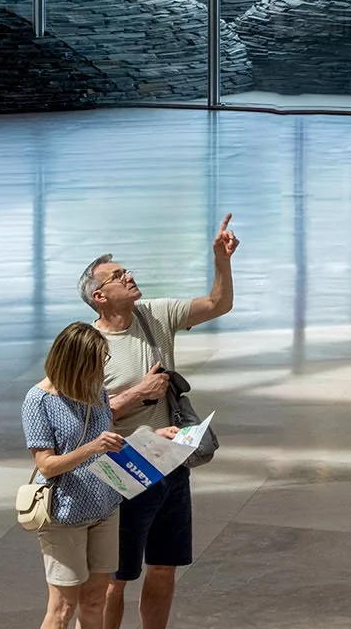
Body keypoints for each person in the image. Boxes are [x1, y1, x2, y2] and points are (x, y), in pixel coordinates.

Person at [81, 219, 237, 629]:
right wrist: (137, 394)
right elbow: (79, 420)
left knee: (164, 568)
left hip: (169, 465)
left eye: (125, 271)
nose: (129, 276)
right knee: (117, 578)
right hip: (123, 472)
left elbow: (217, 304)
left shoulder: (155, 315)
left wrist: (221, 261)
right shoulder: (87, 346)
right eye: (118, 276)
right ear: (99, 296)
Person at [22, 322, 124, 629]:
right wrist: (92, 448)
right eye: (97, 361)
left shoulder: (97, 393)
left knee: (96, 599)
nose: (102, 369)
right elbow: (46, 466)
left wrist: (155, 436)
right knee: (63, 608)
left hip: (105, 507)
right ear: (75, 362)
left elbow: (110, 442)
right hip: (64, 514)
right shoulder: (38, 401)